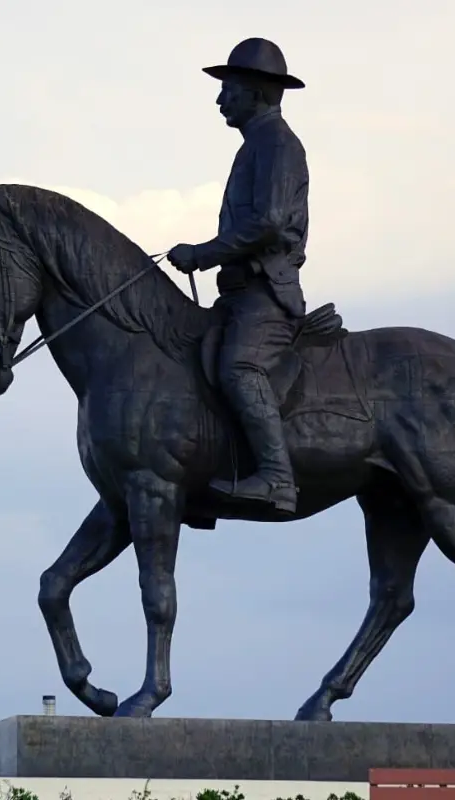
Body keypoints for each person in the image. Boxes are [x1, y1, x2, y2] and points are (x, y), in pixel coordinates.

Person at [168, 37, 309, 515]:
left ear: (256, 92)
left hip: (264, 296)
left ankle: (277, 478)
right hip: (239, 294)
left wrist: (203, 252)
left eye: (228, 88)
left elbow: (267, 222)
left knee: (238, 367)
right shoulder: (256, 145)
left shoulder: (276, 144)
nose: (219, 98)